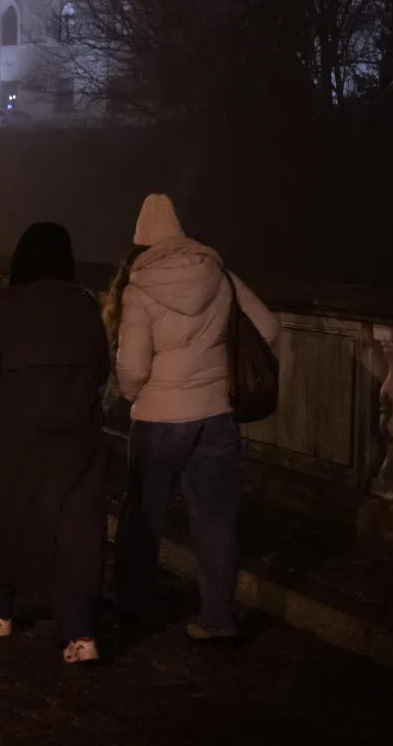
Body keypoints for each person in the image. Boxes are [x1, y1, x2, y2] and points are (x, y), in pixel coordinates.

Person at [110, 193, 279, 640]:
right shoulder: (218, 274)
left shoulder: (140, 286)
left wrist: (130, 394)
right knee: (216, 519)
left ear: (142, 237)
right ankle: (217, 618)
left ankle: (131, 608)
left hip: (158, 419)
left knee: (144, 516)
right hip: (215, 414)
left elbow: (132, 367)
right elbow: (269, 328)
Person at [0, 222, 111, 664]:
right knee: (77, 530)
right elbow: (101, 368)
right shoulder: (84, 305)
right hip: (78, 437)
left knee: (13, 518)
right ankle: (79, 631)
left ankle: (1, 609)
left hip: (20, 434)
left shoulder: (8, 305)